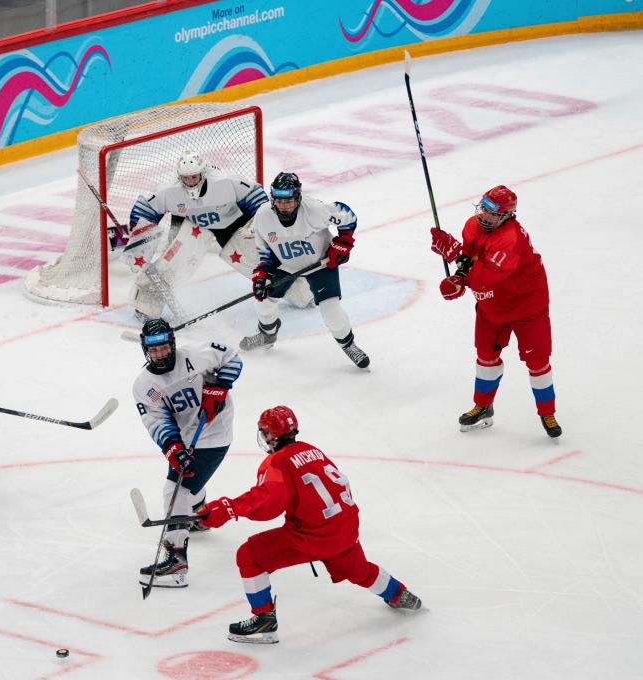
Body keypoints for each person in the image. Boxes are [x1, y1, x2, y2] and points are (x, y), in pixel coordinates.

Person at [197, 405, 421, 643]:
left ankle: (264, 620)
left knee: (249, 555)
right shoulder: (312, 450)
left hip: (313, 536)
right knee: (359, 570)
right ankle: (399, 594)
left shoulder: (277, 462)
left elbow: (269, 501)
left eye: (264, 433)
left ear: (272, 435)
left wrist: (229, 508)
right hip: (344, 528)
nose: (263, 438)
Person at [431, 185, 561, 438]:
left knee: (537, 361)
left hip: (526, 305)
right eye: (483, 209)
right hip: (493, 305)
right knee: (485, 356)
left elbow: (484, 277)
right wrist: (458, 265)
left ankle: (547, 411)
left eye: (492, 213)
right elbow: (470, 260)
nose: (485, 216)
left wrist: (459, 274)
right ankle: (483, 405)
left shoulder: (510, 239)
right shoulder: (473, 225)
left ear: (506, 215)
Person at [122, 150, 313, 319]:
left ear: (203, 173)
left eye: (194, 177)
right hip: (192, 225)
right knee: (173, 262)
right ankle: (146, 305)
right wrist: (140, 242)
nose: (190, 182)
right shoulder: (169, 190)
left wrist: (256, 226)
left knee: (257, 259)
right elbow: (144, 208)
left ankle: (302, 293)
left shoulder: (225, 181)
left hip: (230, 224)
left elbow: (255, 195)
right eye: (186, 178)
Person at [132, 318, 243, 587]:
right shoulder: (145, 386)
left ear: (172, 344)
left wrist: (219, 388)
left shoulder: (196, 356)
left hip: (215, 432)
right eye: (153, 349)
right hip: (187, 435)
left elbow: (233, 358)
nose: (159, 354)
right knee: (187, 478)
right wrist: (173, 449)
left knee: (175, 490)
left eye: (163, 348)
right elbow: (157, 420)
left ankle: (176, 560)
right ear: (145, 350)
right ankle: (200, 514)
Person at [240, 171, 369, 368]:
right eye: (279, 201)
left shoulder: (315, 210)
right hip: (285, 265)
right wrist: (262, 275)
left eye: (289, 201)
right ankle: (267, 334)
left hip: (320, 264)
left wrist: (342, 244)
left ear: (298, 197)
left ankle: (349, 345)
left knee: (331, 311)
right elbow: (265, 253)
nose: (284, 206)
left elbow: (348, 217)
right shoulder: (263, 216)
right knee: (263, 300)